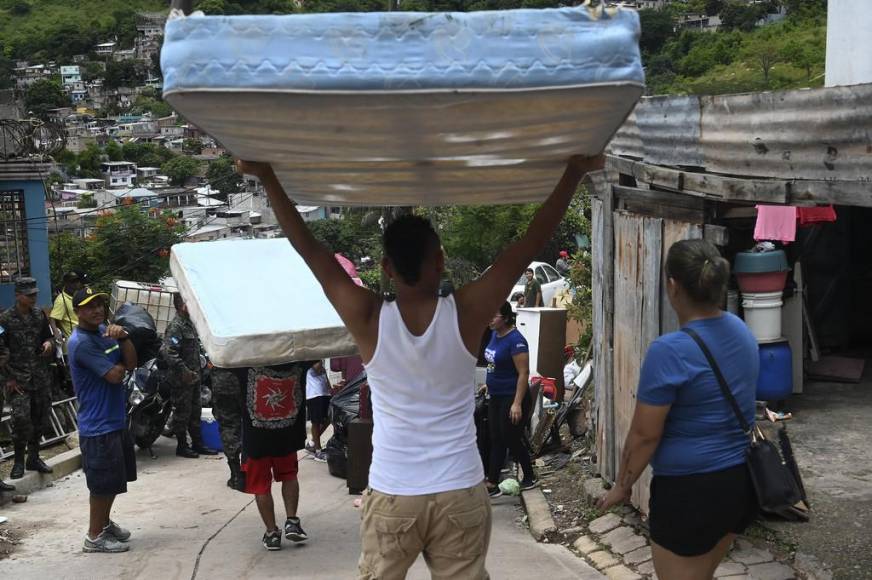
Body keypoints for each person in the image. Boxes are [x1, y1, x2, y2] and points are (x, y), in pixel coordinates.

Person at [237, 154, 604, 579]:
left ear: (388, 268)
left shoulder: (368, 318)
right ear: (441, 261)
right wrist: (574, 171)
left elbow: (311, 250)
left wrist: (267, 175)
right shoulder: (467, 312)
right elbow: (527, 244)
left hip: (395, 492)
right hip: (460, 490)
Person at [598, 239, 759, 580]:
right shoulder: (742, 331)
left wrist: (623, 486)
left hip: (689, 494)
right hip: (737, 484)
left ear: (672, 286)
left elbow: (644, 435)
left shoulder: (669, 351)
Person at [67, 287, 138, 553]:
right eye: (88, 306)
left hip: (114, 420)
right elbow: (115, 376)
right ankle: (94, 537)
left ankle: (105, 524)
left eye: (99, 304)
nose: (96, 310)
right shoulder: (81, 343)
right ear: (77, 312)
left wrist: (125, 337)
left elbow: (131, 363)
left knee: (112, 481)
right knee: (101, 485)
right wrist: (118, 363)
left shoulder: (103, 332)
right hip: (98, 426)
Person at [240, 364, 309, 551]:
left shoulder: (243, 361)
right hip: (287, 433)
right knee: (289, 476)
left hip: (256, 439)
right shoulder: (296, 358)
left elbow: (219, 358)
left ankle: (272, 534)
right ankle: (292, 521)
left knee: (261, 486)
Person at [0, 277, 55, 480]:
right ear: (18, 295)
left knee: (40, 418)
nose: (33, 298)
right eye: (29, 295)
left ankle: (34, 457)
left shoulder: (39, 315)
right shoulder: (5, 319)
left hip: (40, 376)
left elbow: (49, 337)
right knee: (21, 420)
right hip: (18, 380)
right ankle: (18, 462)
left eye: (35, 294)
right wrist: (8, 380)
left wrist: (49, 344)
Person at [483, 301, 537, 496]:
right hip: (495, 395)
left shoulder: (516, 340)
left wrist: (516, 403)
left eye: (494, 315)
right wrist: (488, 383)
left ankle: (529, 476)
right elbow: (492, 363)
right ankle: (492, 482)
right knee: (496, 437)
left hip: (512, 396)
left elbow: (523, 373)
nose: (490, 319)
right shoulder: (494, 335)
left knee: (511, 438)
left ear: (505, 318)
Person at [160, 293, 217, 458]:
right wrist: (184, 371)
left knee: (195, 412)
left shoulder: (190, 324)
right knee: (182, 414)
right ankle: (182, 445)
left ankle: (198, 444)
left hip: (194, 377)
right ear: (182, 305)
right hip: (181, 379)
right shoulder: (176, 326)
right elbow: (169, 352)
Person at [211, 366, 247, 488]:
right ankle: (251, 470)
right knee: (252, 424)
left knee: (228, 425)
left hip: (223, 382)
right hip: (247, 380)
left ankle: (236, 475)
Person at [304, 360, 332, 462]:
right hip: (314, 394)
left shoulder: (322, 365)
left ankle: (312, 443)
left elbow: (324, 376)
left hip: (325, 394)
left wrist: (330, 390)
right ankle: (318, 451)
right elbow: (317, 368)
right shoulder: (311, 360)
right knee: (316, 422)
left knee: (330, 418)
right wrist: (319, 359)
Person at [49, 271, 84, 347]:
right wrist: (56, 334)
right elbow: (52, 319)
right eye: (72, 282)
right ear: (66, 283)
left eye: (77, 282)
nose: (75, 285)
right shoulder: (61, 300)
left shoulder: (76, 296)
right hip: (72, 345)